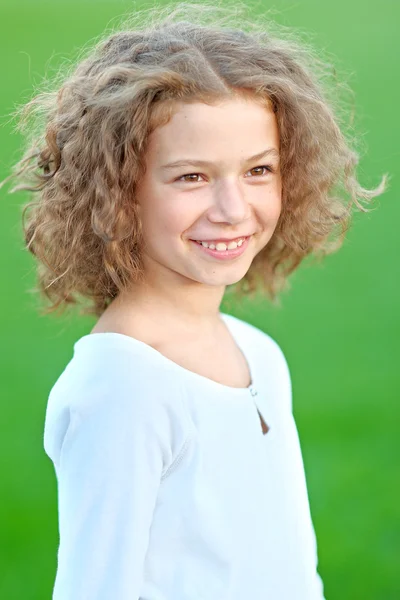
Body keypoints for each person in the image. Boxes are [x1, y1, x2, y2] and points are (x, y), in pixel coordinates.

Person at [5, 2, 386, 598]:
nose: (234, 209)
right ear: (118, 193)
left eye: (259, 170)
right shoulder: (124, 389)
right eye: (192, 177)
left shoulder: (257, 353)